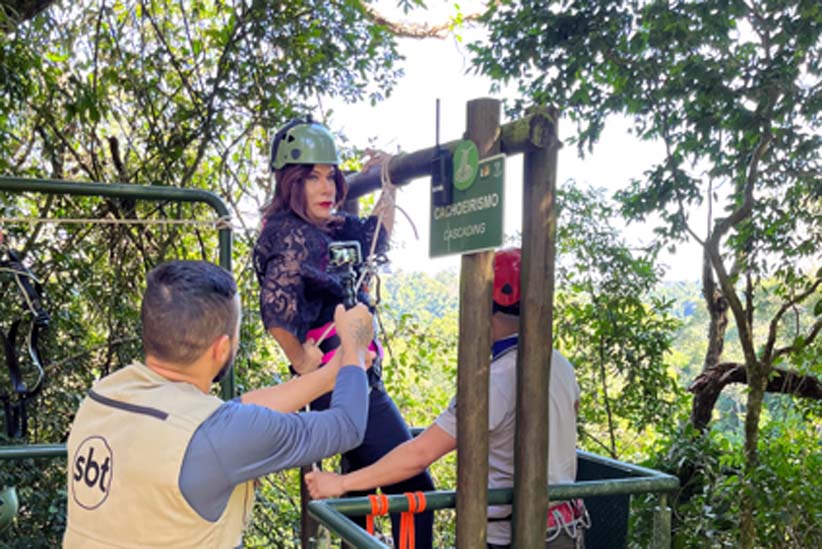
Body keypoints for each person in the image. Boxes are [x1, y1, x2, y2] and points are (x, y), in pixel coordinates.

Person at [63, 260, 375, 548]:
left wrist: (332, 373)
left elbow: (229, 414)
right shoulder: (216, 436)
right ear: (222, 347)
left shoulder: (104, 394)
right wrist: (355, 347)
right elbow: (346, 426)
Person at [305, 248, 588, 548]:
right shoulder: (559, 364)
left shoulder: (494, 380)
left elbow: (420, 454)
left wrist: (341, 483)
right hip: (566, 529)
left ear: (484, 305)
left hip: (509, 537)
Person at [252, 116, 435, 547]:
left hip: (350, 379)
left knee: (360, 483)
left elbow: (375, 239)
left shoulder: (322, 227)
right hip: (342, 382)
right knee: (415, 489)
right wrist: (302, 359)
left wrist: (388, 183)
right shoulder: (291, 234)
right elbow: (275, 310)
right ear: (290, 183)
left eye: (330, 176)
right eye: (312, 177)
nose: (327, 188)